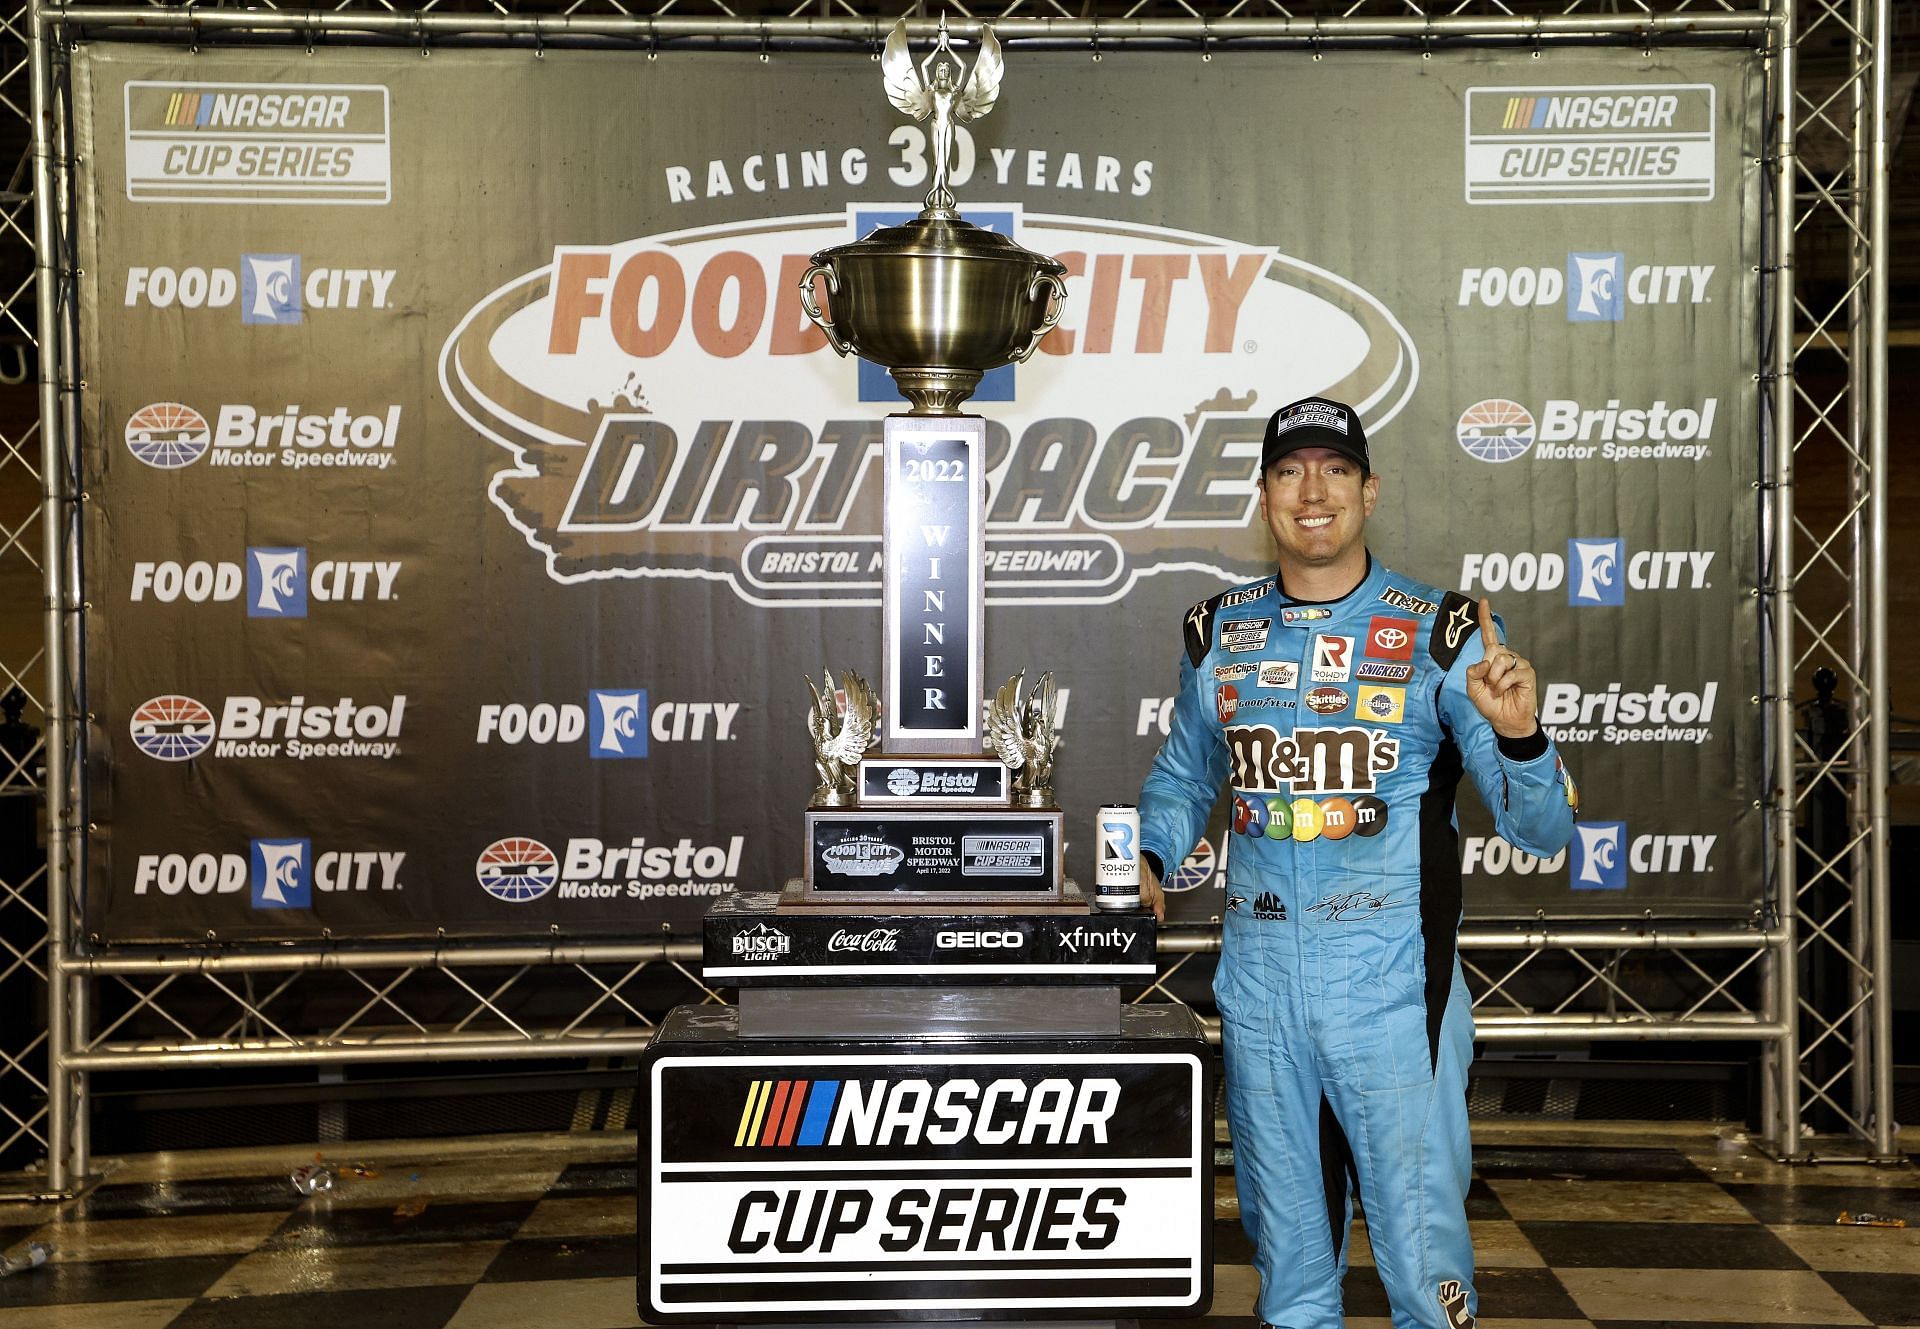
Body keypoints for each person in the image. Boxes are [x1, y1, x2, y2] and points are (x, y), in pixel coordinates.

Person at [1135, 395, 1577, 1329]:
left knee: (1421, 1264)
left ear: (1369, 491)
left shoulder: (1445, 631)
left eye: (1335, 469)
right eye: (1291, 470)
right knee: (1291, 1279)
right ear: (1265, 496)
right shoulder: (1216, 631)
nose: (1313, 490)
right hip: (1258, 985)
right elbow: (1181, 776)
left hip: (1392, 986)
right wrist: (1147, 854)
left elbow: (1541, 832)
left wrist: (1524, 737)